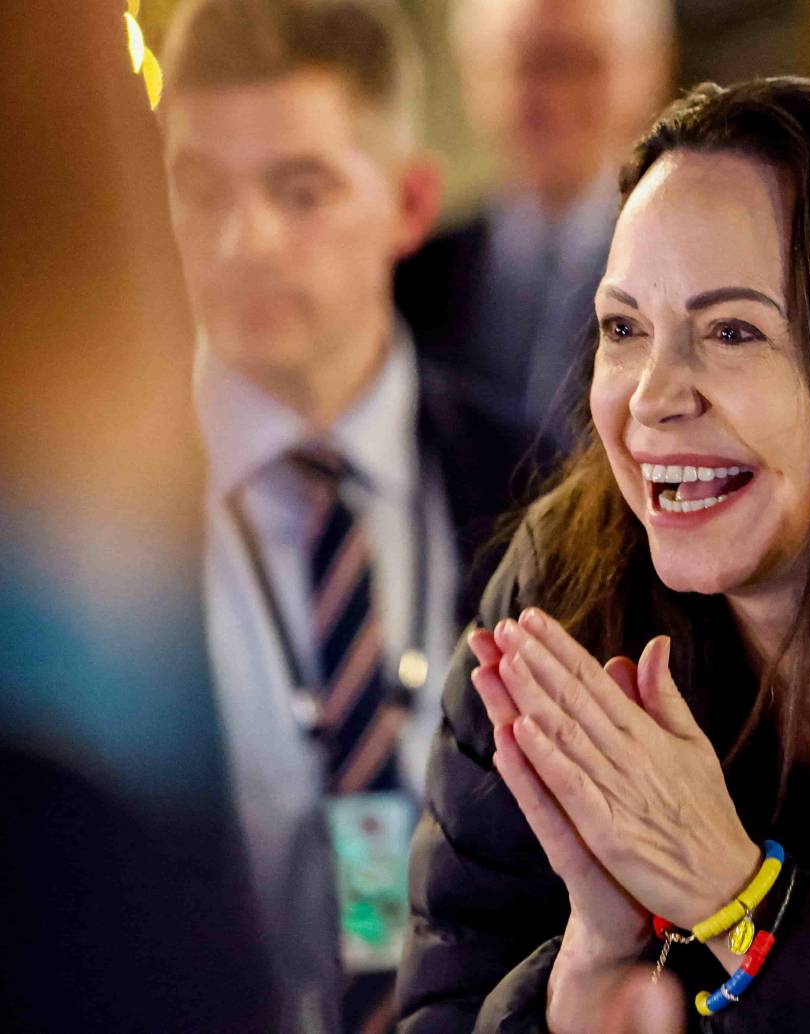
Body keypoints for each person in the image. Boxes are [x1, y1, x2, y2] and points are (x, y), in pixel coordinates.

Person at [397, 77, 810, 1032]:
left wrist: (743, 905)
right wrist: (578, 981)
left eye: (732, 332)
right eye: (625, 329)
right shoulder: (561, 597)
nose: (651, 399)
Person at [160, 1, 504, 1029]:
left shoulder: (533, 482)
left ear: (407, 203)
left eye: (299, 189)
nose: (242, 240)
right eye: (199, 189)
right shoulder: (92, 510)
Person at [396, 0, 674, 474]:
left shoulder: (688, 273)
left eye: (585, 62)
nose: (555, 93)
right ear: (475, 76)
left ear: (651, 69)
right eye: (530, 62)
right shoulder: (405, 277)